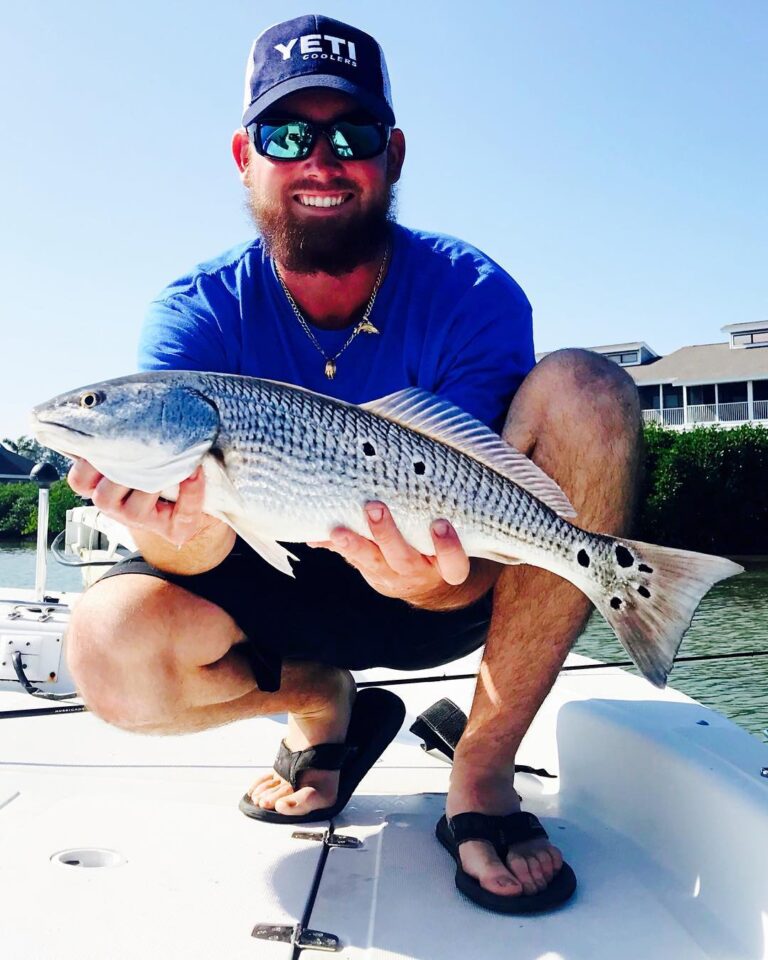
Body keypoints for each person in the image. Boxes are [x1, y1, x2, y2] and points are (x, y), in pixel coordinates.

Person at [66, 14, 641, 914]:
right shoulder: (191, 313)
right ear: (244, 155)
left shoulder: (472, 291)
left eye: (353, 134)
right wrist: (168, 530)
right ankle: (315, 703)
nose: (321, 160)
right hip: (258, 564)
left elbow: (474, 521)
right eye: (287, 134)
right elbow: (196, 558)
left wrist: (429, 583)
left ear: (394, 154)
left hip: (442, 570)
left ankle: (481, 775)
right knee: (104, 650)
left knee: (588, 391)